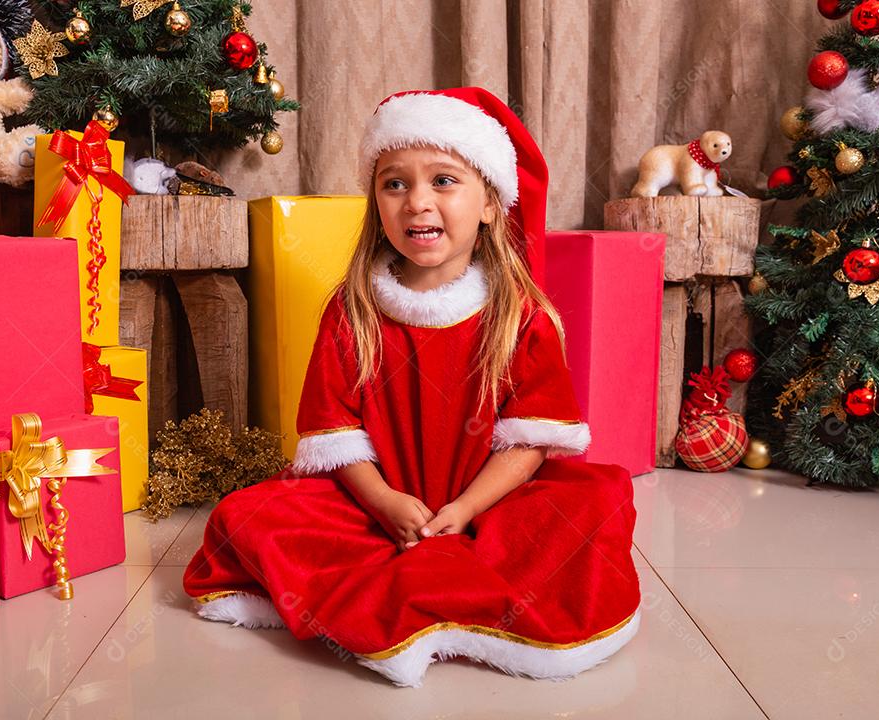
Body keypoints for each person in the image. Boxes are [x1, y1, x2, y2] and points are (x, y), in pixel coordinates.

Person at [183, 87, 641, 688]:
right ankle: (416, 577)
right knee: (248, 515)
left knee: (586, 511)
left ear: (490, 203)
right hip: (373, 504)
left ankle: (443, 578)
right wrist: (384, 502)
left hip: (491, 502)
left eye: (443, 181)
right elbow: (335, 433)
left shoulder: (521, 316)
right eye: (394, 184)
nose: (417, 202)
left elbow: (528, 442)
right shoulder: (352, 312)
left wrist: (467, 508)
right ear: (377, 204)